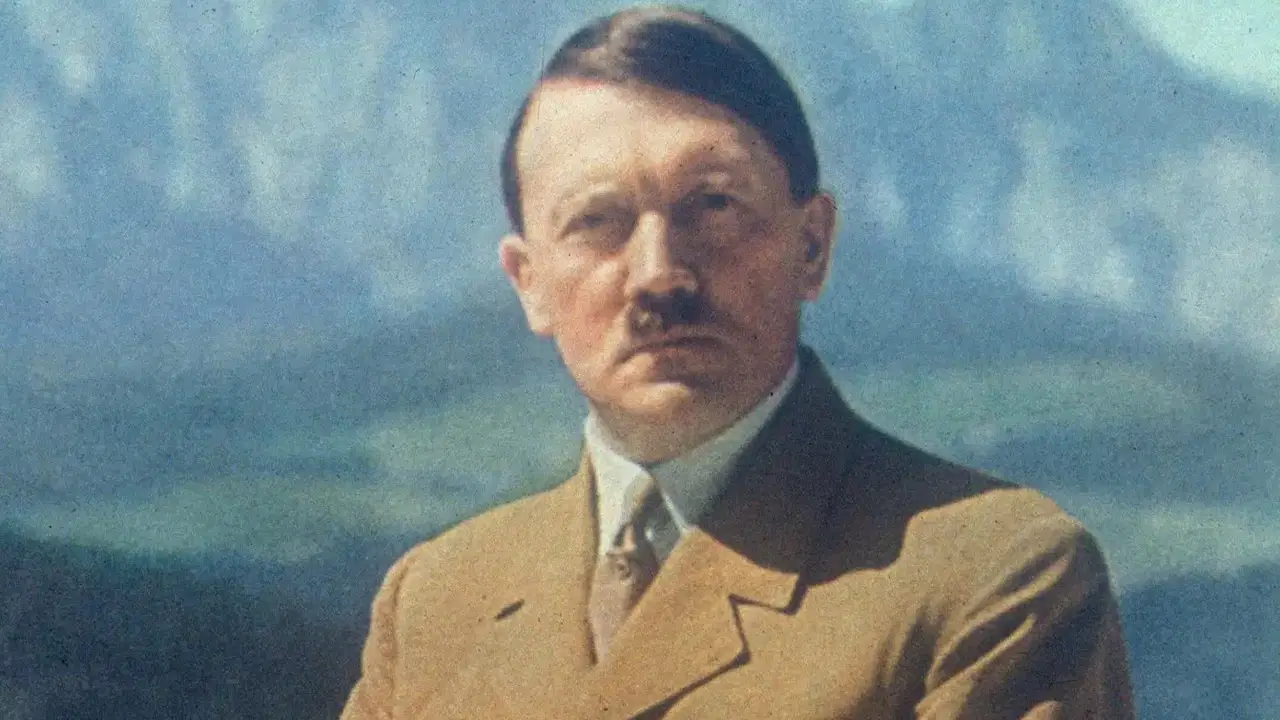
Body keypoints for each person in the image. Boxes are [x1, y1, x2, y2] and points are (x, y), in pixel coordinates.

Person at [340, 6, 1135, 719]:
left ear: (812, 245)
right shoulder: (436, 602)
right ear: (529, 283)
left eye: (713, 206)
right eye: (597, 221)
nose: (659, 274)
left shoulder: (994, 575)